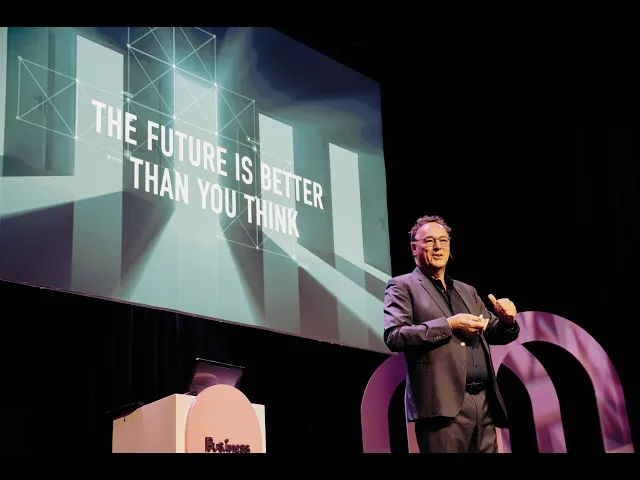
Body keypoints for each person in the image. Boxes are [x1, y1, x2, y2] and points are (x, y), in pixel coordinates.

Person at [383, 215, 520, 453]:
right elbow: (394, 336)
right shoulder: (402, 286)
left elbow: (494, 332)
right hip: (441, 406)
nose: (438, 247)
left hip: (483, 403)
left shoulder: (467, 291)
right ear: (414, 248)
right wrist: (449, 325)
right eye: (429, 241)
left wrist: (508, 322)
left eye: (443, 240)